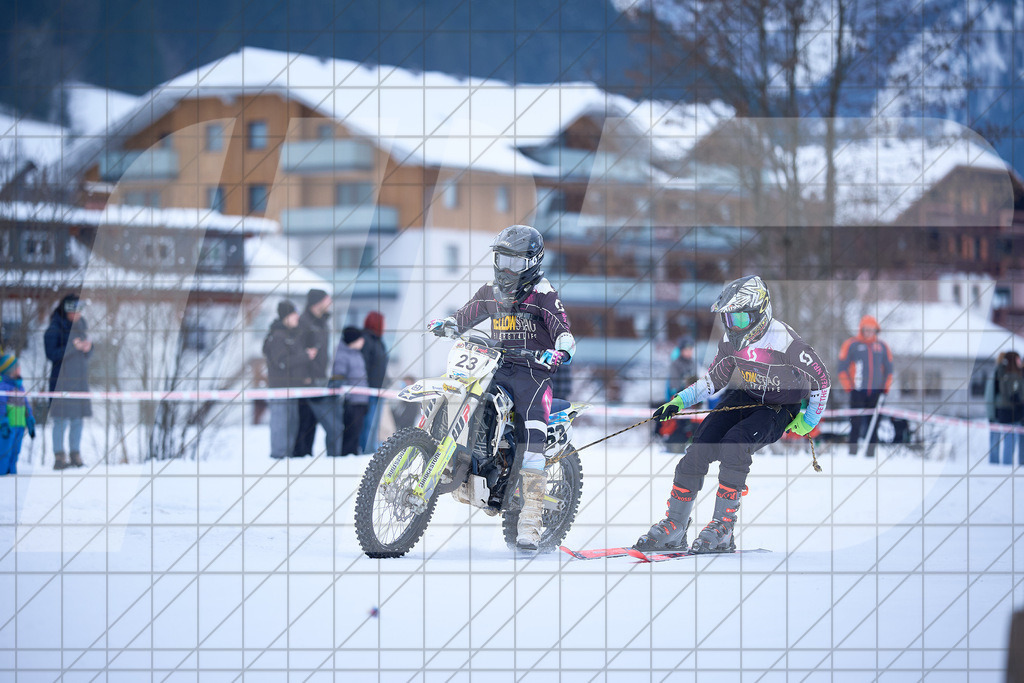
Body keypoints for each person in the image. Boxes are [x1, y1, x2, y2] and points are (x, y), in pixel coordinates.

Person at [637, 275, 831, 554]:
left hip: (779, 407)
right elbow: (713, 380)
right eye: (728, 319)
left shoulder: (785, 341)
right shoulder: (730, 341)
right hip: (746, 397)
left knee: (735, 445)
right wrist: (679, 401)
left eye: (738, 319)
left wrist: (809, 419)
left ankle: (722, 528)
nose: (732, 326)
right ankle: (675, 526)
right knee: (699, 447)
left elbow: (821, 379)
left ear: (759, 314)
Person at [427, 224, 576, 551]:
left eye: (516, 263)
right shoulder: (491, 292)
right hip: (493, 367)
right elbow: (465, 316)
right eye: (502, 260)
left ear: (533, 262)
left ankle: (530, 521)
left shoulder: (545, 295)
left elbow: (563, 330)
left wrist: (561, 349)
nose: (507, 269)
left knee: (532, 438)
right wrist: (450, 325)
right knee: (456, 392)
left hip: (532, 375)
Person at [292, 289, 343, 458]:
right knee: (305, 422)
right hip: (306, 381)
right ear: (317, 302)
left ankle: (307, 456)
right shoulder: (303, 323)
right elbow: (298, 351)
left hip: (321, 379)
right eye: (327, 300)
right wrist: (303, 376)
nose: (330, 304)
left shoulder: (323, 323)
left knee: (312, 422)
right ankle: (300, 457)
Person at [44, 293, 92, 470]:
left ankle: (75, 454)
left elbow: (86, 354)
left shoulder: (81, 327)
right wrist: (73, 347)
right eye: (75, 311)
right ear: (67, 311)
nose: (78, 314)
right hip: (61, 382)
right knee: (61, 420)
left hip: (79, 382)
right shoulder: (54, 329)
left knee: (78, 420)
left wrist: (88, 348)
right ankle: (59, 457)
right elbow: (52, 354)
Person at [837, 315, 894, 457]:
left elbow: (889, 370)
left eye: (872, 330)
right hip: (857, 391)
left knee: (874, 424)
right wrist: (849, 388)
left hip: (876, 393)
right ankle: (852, 453)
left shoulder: (882, 347)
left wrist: (885, 389)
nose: (869, 332)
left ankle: (870, 454)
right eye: (866, 330)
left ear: (876, 330)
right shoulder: (852, 345)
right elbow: (842, 368)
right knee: (855, 423)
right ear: (861, 330)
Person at [263, 300, 310, 459]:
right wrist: (305, 357)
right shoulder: (277, 337)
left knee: (291, 424)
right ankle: (278, 456)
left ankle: (287, 456)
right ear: (286, 316)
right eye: (294, 314)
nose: (297, 317)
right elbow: (282, 362)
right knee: (280, 424)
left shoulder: (290, 335)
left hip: (292, 389)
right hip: (280, 390)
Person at [332, 326, 370, 456]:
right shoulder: (342, 356)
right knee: (350, 431)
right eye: (360, 338)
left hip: (361, 399)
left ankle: (353, 453)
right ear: (352, 340)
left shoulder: (357, 354)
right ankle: (346, 455)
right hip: (351, 401)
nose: (362, 341)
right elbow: (339, 377)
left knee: (357, 431)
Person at [985, 351, 1023, 465]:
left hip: (999, 413)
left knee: (1001, 442)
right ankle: (1002, 466)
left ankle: (996, 465)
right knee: (1008, 442)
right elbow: (1010, 394)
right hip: (1006, 413)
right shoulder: (1007, 375)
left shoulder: (1002, 373)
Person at [0, 352, 35, 475]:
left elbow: (26, 405)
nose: (20, 369)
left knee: (16, 452)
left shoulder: (20, 387)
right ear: (10, 370)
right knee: (4, 452)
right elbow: (1, 406)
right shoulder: (3, 386)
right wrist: (3, 422)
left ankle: (12, 475)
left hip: (20, 425)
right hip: (7, 427)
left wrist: (30, 419)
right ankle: (2, 475)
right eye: (17, 367)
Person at [359, 311, 389, 452]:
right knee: (368, 423)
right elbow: (363, 365)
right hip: (369, 390)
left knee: (375, 424)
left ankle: (370, 448)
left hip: (379, 390)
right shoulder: (366, 340)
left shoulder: (379, 341)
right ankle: (366, 450)